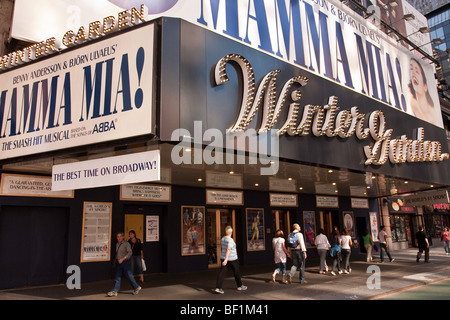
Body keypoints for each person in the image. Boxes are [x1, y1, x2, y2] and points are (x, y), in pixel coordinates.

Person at [107, 232, 142, 297]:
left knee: (129, 275)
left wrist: (123, 259)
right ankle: (115, 291)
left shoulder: (126, 244)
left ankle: (136, 287)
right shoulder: (117, 244)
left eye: (120, 236)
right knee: (117, 276)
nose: (119, 238)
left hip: (125, 262)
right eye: (117, 237)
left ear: (123, 237)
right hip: (119, 263)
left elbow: (130, 253)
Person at [214, 226, 247, 294]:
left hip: (223, 258)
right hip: (232, 259)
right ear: (231, 232)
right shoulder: (230, 240)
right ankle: (240, 286)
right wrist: (226, 259)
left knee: (222, 273)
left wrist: (225, 259)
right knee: (236, 272)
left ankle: (218, 287)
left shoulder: (222, 239)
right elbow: (228, 249)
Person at [408, 58, 439, 126]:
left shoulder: (434, 114)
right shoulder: (410, 101)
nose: (413, 73)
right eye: (411, 69)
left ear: (425, 86)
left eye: (417, 71)